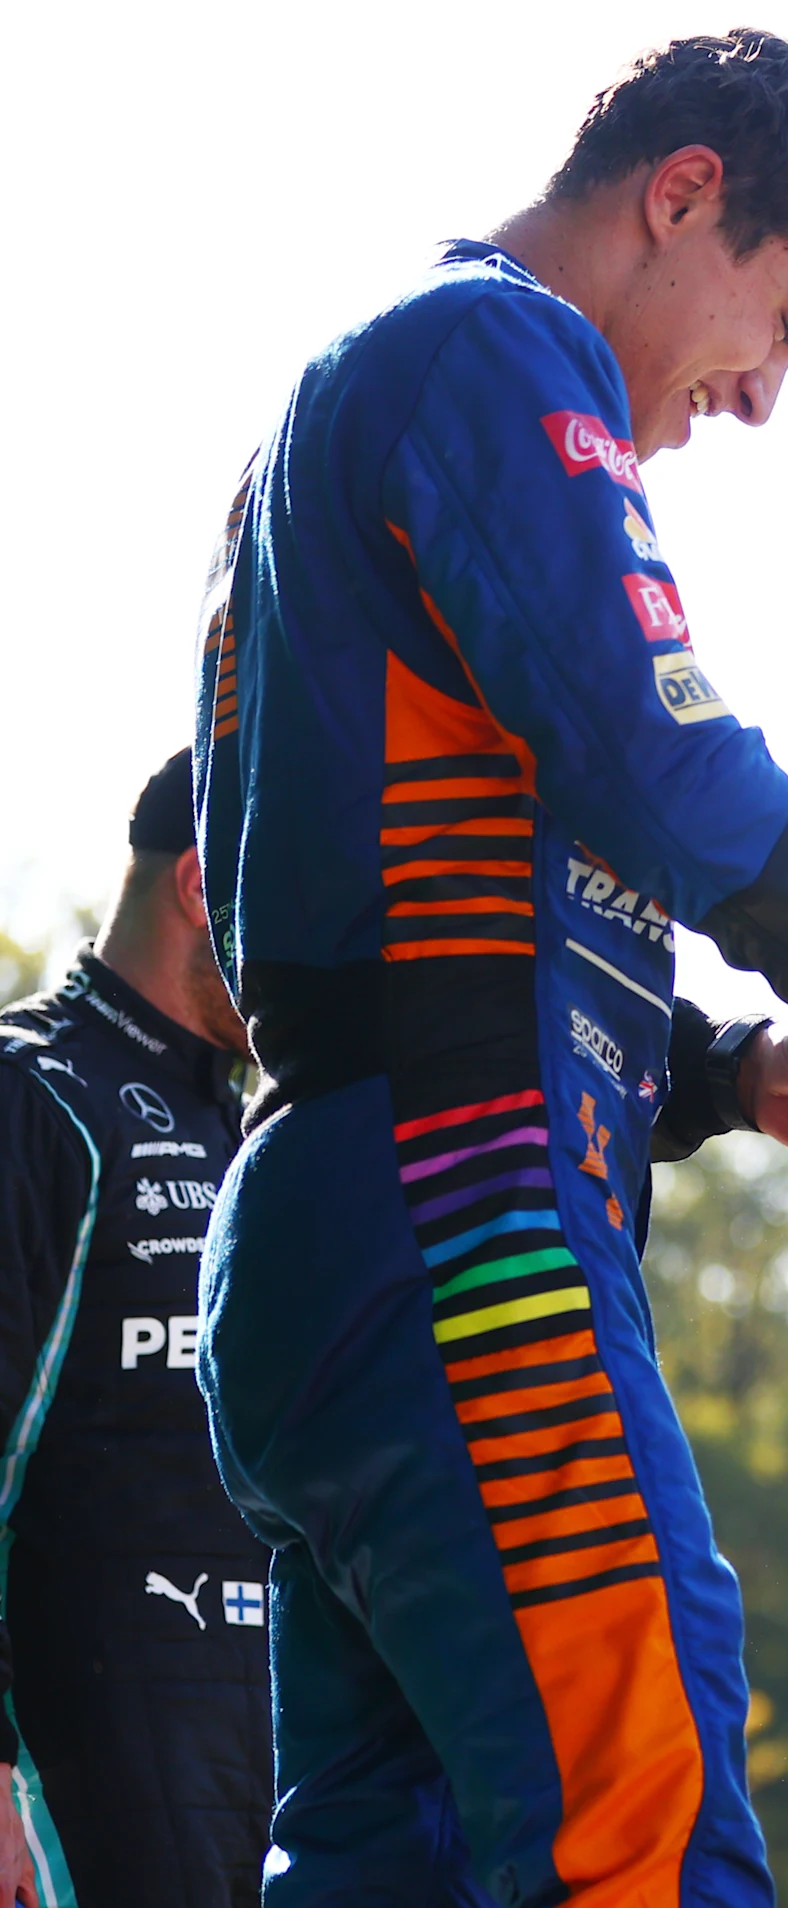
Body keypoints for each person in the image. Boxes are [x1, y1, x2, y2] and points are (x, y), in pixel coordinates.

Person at [194, 33, 788, 1904]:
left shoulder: (369, 403)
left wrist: (729, 1069)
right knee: (643, 1835)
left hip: (340, 1228)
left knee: (383, 1871)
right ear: (680, 195)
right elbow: (654, 747)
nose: (763, 399)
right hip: (463, 1224)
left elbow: (419, 917)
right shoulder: (490, 351)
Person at [0, 753, 268, 1904]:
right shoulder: (34, 1093)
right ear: (205, 885)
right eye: (291, 895)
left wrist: (727, 1076)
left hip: (259, 1767)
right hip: (70, 1772)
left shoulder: (263, 1138)